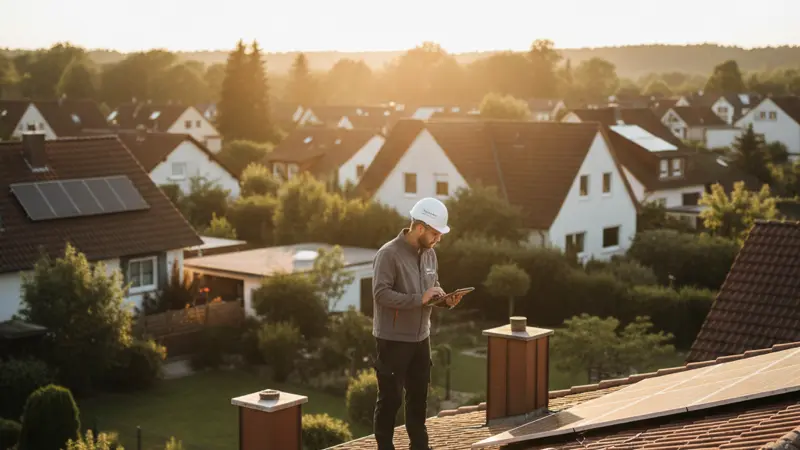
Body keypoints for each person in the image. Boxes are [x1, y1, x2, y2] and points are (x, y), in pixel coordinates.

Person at [371, 197, 465, 450]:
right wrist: (418, 298)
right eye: (435, 233)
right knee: (390, 400)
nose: (439, 239)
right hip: (392, 340)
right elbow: (380, 294)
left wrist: (444, 300)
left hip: (421, 338)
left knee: (418, 399)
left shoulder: (430, 255)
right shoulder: (388, 254)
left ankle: (420, 447)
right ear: (420, 227)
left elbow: (430, 291)